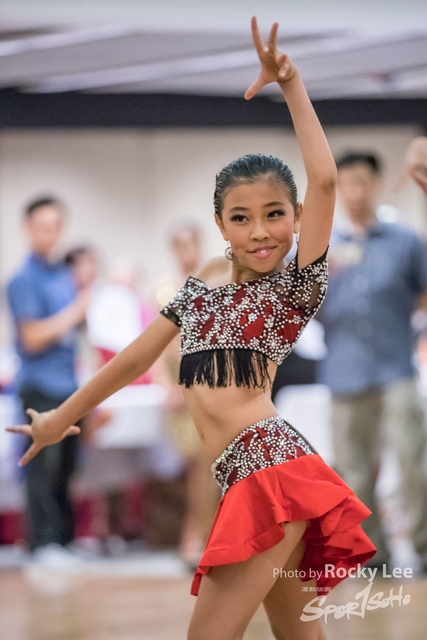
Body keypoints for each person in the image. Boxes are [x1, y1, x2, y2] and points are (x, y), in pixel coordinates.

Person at [7, 19, 375, 639]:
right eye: (242, 217)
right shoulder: (204, 277)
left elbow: (325, 179)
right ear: (221, 224)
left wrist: (291, 84)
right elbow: (134, 356)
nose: (260, 231)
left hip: (269, 472)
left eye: (274, 215)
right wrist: (58, 418)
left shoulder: (293, 287)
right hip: (247, 475)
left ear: (296, 219)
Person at [317, 151, 427, 572]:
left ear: (376, 184)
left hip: (395, 364)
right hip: (344, 370)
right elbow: (300, 303)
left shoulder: (404, 240)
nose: (355, 193)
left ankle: (423, 546)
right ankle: (371, 552)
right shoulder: (321, 247)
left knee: (412, 458)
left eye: (362, 182)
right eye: (347, 184)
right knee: (353, 468)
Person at [6, 197, 90, 558]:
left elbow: (78, 329)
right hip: (39, 386)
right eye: (41, 226)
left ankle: (65, 540)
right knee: (43, 466)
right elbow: (32, 337)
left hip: (69, 386)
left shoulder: (63, 276)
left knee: (67, 467)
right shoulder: (23, 279)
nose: (49, 234)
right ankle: (43, 542)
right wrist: (76, 311)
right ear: (28, 228)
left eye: (55, 226)